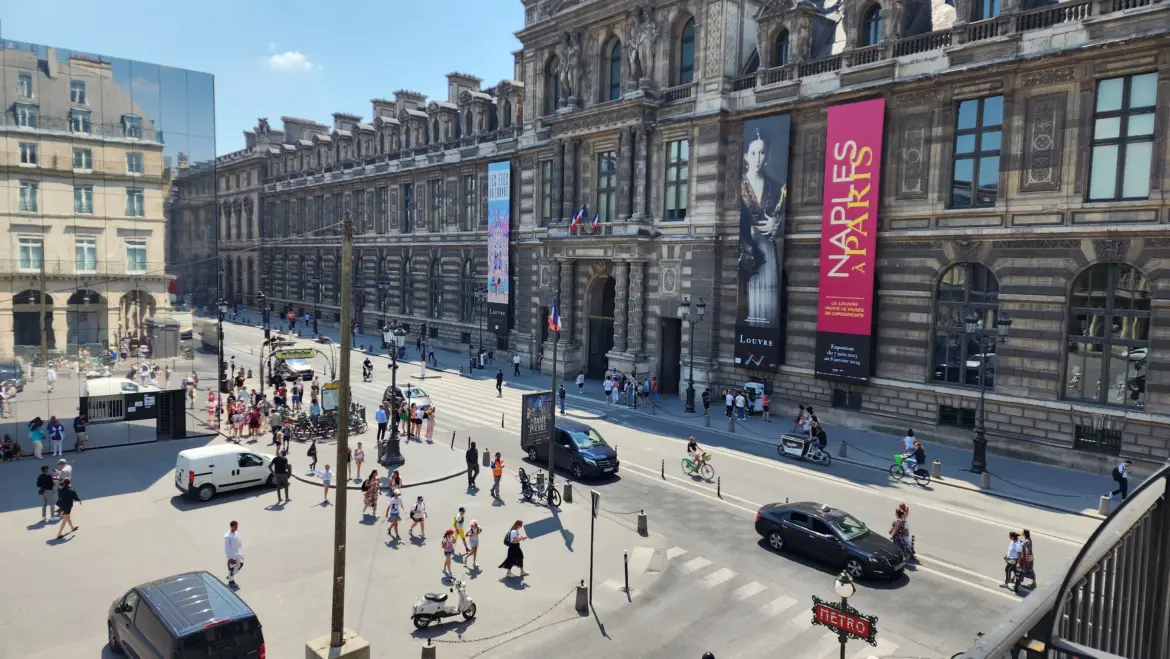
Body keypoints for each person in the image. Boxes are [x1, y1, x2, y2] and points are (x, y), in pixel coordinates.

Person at [739, 128, 786, 326]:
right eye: (753, 153)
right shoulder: (739, 187)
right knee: (746, 304)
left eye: (762, 152)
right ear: (745, 157)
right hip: (747, 251)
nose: (758, 158)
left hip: (768, 252)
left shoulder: (777, 186)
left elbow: (785, 218)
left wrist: (776, 225)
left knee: (768, 303)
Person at [224, 521, 244, 590]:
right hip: (232, 555)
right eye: (235, 527)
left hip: (238, 553)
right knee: (231, 569)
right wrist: (230, 558)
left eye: (237, 526)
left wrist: (241, 553)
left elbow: (239, 544)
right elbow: (227, 548)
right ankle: (231, 582)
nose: (236, 528)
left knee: (240, 564)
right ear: (231, 527)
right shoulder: (228, 536)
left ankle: (230, 576)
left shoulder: (236, 533)